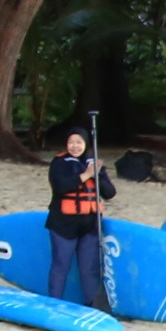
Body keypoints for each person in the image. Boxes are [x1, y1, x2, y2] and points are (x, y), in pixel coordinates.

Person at [44, 127, 117, 310]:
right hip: (63, 225)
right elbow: (60, 187)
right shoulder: (59, 163)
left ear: (85, 144)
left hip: (90, 225)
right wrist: (85, 175)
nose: (74, 146)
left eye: (79, 142)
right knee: (61, 266)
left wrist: (97, 175)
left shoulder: (94, 164)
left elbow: (110, 192)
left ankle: (93, 305)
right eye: (71, 142)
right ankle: (54, 304)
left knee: (89, 269)